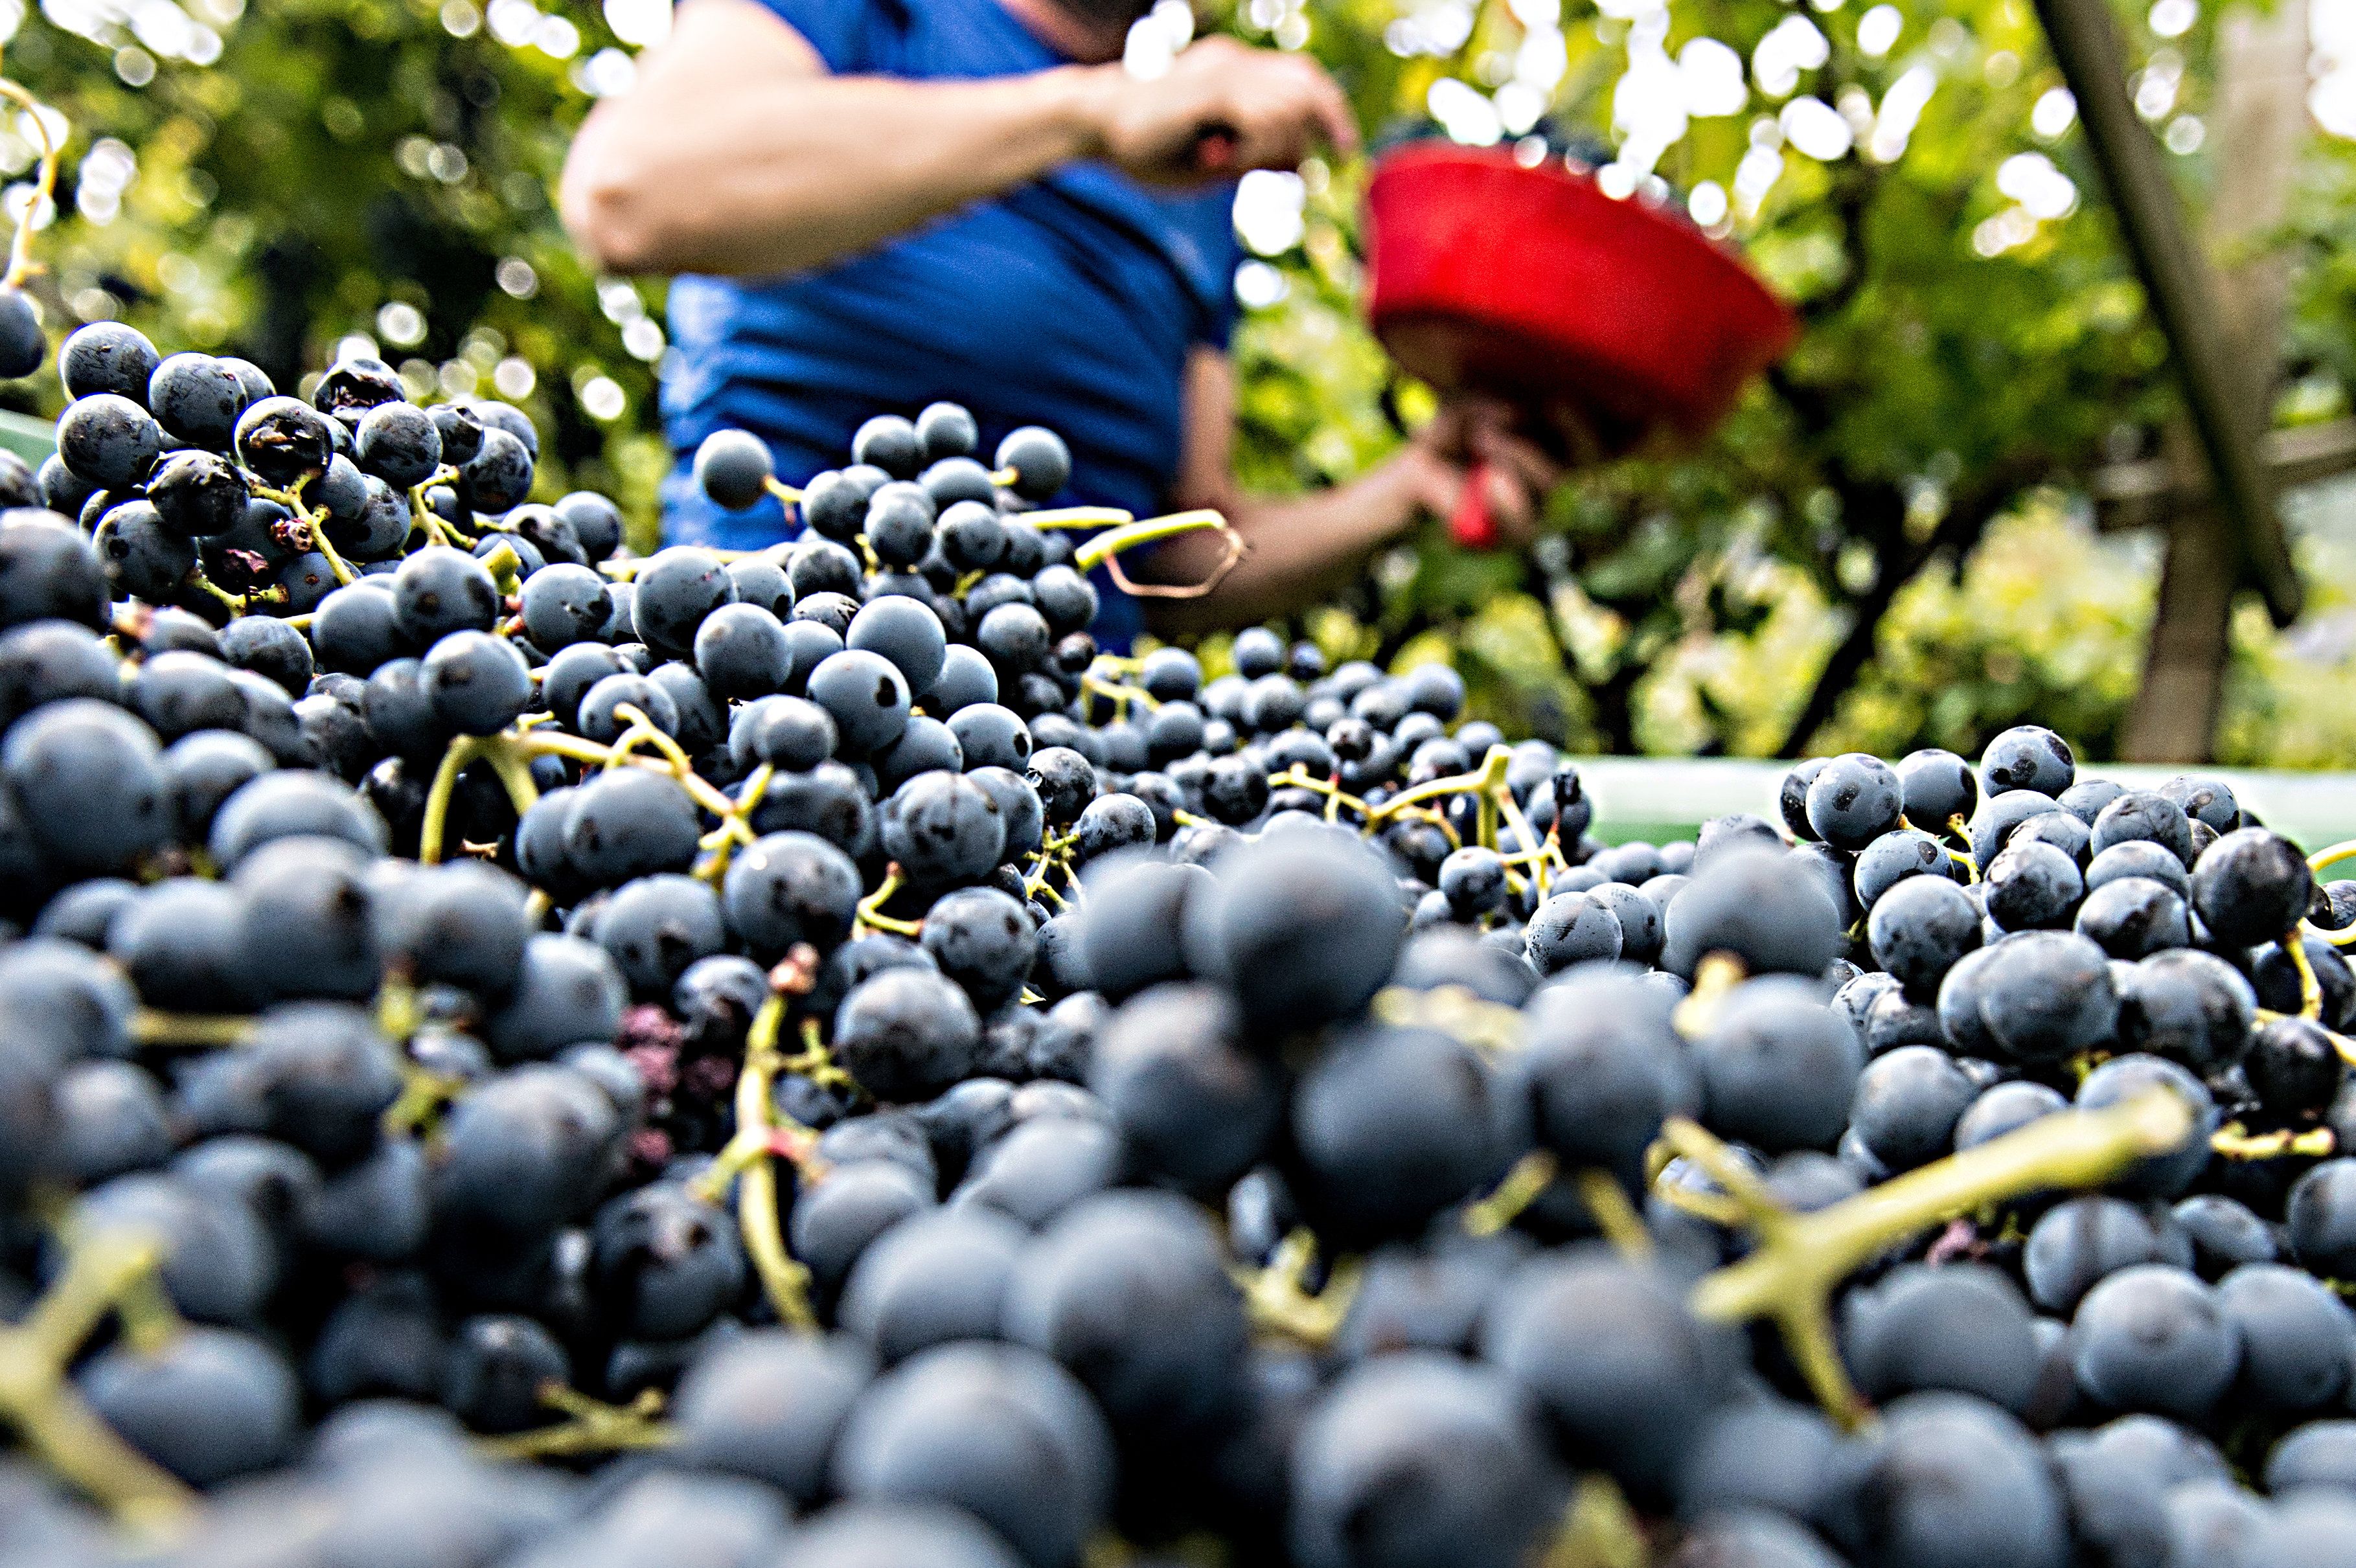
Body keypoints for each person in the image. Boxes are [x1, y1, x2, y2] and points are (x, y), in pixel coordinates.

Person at [560, 0, 1557, 646]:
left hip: (1059, 765)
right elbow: (631, 191)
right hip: (777, 676)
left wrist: (1405, 490)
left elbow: (1182, 549)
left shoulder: (1193, 184)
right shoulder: (873, 17)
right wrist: (1085, 117)